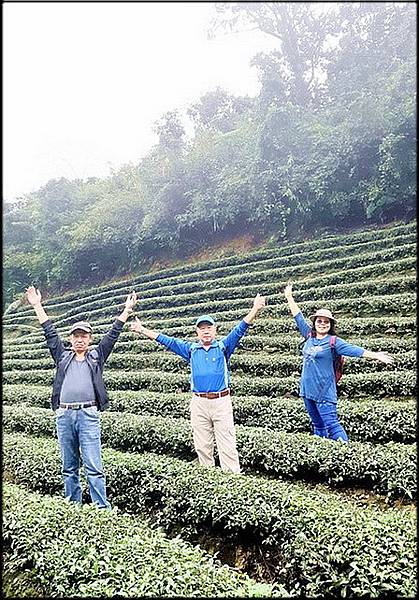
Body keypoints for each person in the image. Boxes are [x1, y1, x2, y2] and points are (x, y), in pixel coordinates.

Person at [25, 285, 137, 508]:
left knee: (94, 466)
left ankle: (101, 509)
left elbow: (112, 335)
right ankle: (72, 507)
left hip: (88, 415)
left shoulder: (96, 356)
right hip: (64, 415)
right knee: (69, 466)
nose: (80, 340)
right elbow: (50, 333)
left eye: (84, 336)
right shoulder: (63, 357)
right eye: (76, 336)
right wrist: (37, 305)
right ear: (71, 339)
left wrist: (126, 310)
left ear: (89, 339)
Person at [130, 294, 266, 472]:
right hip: (199, 402)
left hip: (220, 401)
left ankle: (232, 479)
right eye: (202, 328)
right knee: (202, 445)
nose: (206, 331)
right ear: (197, 332)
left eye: (209, 327)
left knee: (227, 444)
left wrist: (255, 309)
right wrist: (142, 330)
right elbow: (168, 341)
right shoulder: (191, 350)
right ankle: (208, 478)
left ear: (215, 330)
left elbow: (240, 329)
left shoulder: (223, 347)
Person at [284, 283, 394, 442]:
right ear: (315, 323)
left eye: (326, 322)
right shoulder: (309, 336)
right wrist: (289, 297)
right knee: (318, 425)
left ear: (330, 325)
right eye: (319, 321)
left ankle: (347, 453)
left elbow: (354, 350)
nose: (322, 324)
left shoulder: (334, 342)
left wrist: (375, 355)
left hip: (324, 391)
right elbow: (298, 316)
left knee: (333, 426)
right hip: (307, 390)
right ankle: (320, 451)